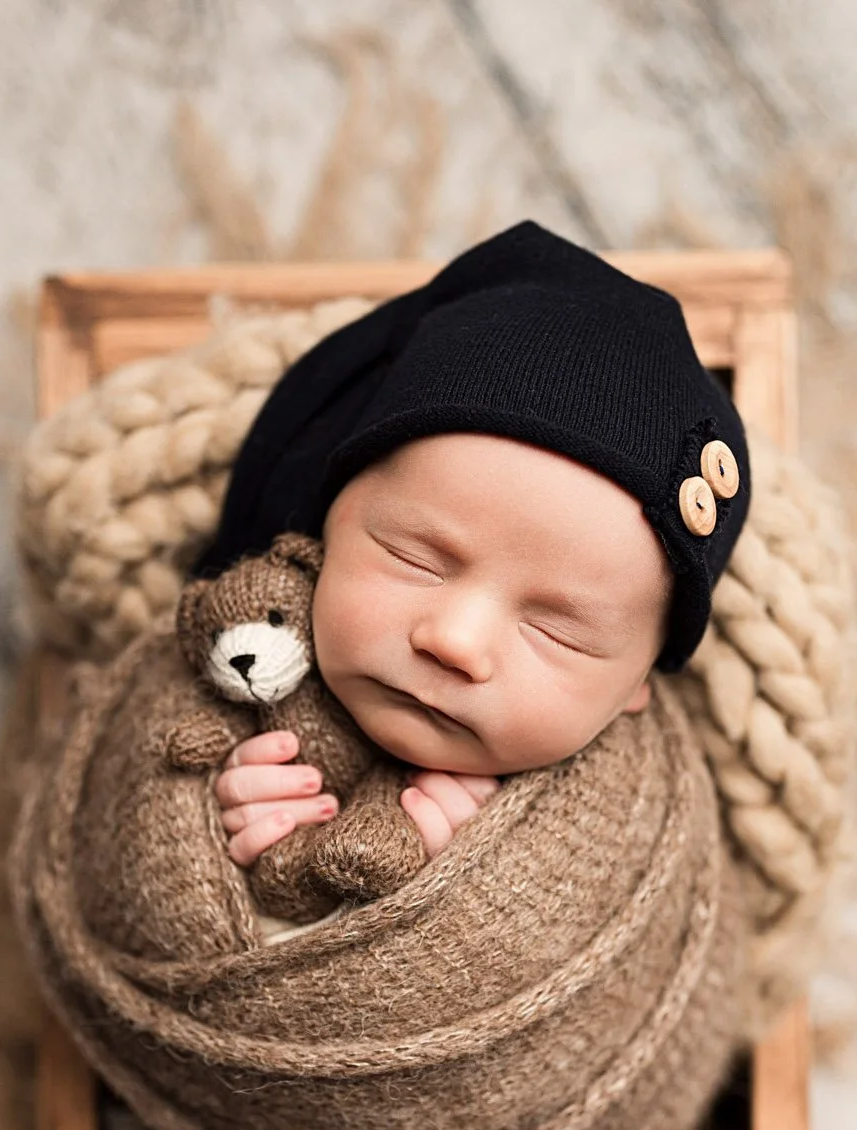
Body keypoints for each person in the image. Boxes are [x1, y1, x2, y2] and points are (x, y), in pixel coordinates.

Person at [189, 221, 752, 869]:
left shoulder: (638, 821)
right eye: (415, 558)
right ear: (324, 530)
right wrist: (220, 823)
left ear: (636, 683)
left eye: (555, 631)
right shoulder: (240, 661)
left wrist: (477, 890)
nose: (454, 641)